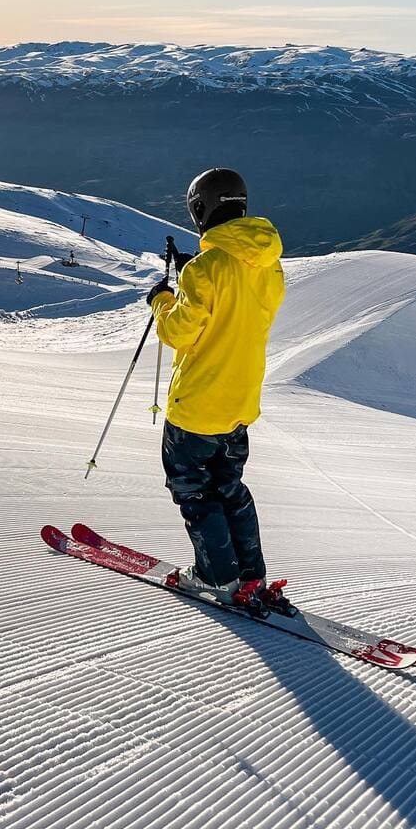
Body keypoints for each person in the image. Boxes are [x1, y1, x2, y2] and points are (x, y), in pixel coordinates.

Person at [147, 167, 288, 611]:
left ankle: (216, 577)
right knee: (230, 488)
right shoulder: (269, 265)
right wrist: (196, 276)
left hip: (197, 405)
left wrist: (162, 300)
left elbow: (179, 333)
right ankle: (250, 575)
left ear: (200, 209)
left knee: (194, 491)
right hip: (239, 402)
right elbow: (235, 308)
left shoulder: (204, 270)